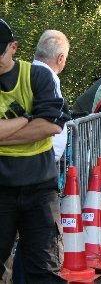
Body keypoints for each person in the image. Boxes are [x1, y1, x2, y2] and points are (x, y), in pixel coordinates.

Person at [0, 19, 70, 282]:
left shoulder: (37, 76)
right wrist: (27, 119)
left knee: (44, 269)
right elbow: (40, 124)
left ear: (13, 47)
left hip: (40, 189)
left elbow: (51, 126)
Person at [32, 30, 70, 163]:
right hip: (42, 159)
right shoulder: (47, 77)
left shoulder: (31, 72)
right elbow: (52, 120)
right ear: (60, 58)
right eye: (65, 58)